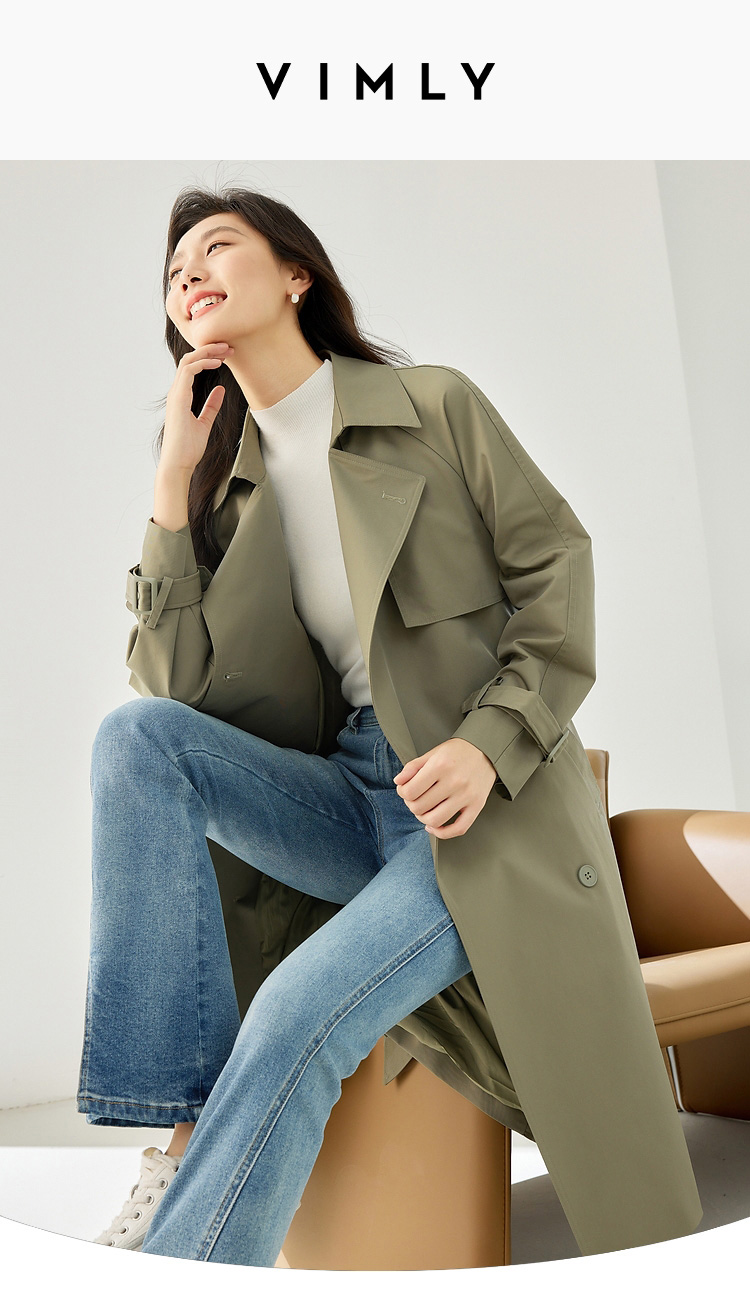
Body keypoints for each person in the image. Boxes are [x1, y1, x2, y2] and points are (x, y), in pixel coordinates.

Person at [78, 186, 702, 1265]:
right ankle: (175, 1127)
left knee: (293, 1015)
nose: (189, 276)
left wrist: (487, 746)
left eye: (216, 248)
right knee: (135, 742)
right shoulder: (226, 491)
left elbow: (558, 575)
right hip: (345, 797)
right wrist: (172, 486)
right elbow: (171, 688)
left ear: (297, 275)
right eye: (174, 273)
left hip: (477, 821)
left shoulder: (432, 407)